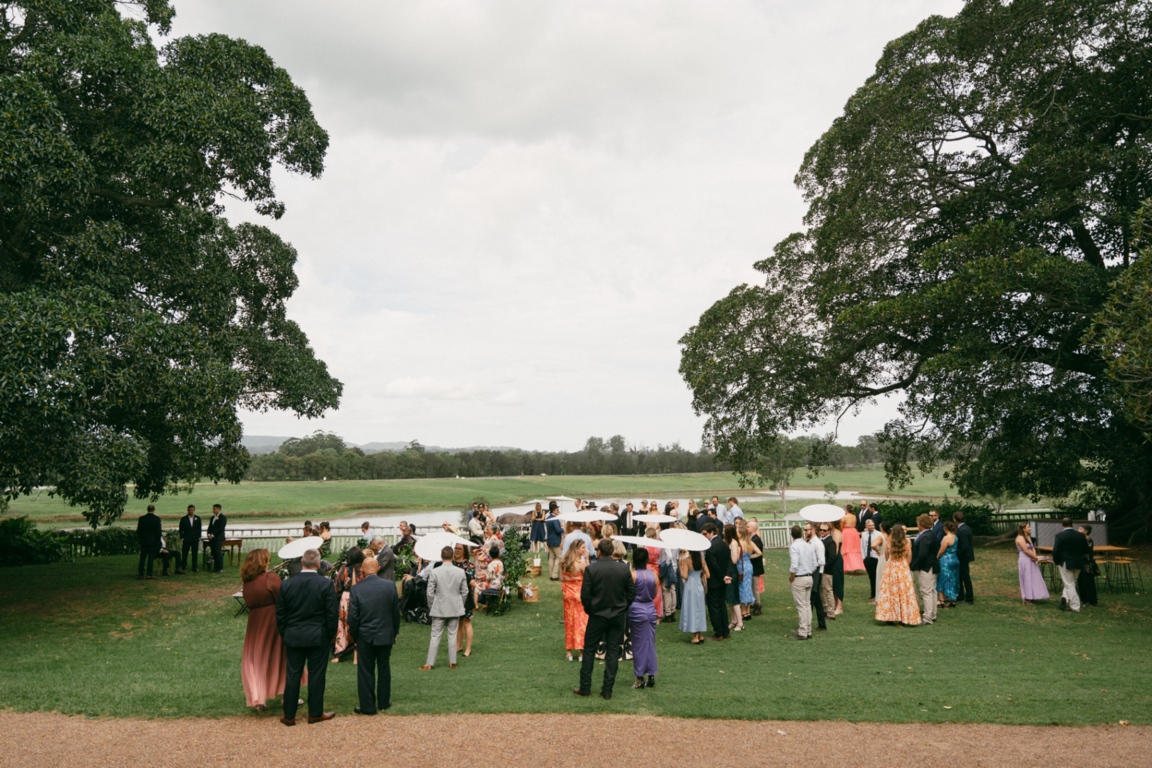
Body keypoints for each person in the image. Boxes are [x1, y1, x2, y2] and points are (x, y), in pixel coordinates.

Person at [276, 548, 339, 726]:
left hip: (295, 634)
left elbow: (281, 614)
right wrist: (330, 635)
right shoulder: (325, 584)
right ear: (318, 564)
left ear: (302, 562)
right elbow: (331, 614)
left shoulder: (287, 584)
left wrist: (285, 633)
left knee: (293, 674)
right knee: (316, 675)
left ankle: (289, 715)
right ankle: (315, 713)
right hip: (317, 635)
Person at [574, 539, 636, 701]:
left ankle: (585, 687)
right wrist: (622, 607)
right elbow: (631, 593)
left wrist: (591, 609)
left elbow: (585, 595)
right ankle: (607, 690)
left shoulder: (592, 569)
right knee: (613, 651)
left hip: (598, 615)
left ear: (599, 552)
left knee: (589, 649)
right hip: (616, 615)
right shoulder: (623, 568)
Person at [241, 549, 292, 710]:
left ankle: (259, 699)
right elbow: (282, 598)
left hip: (255, 621)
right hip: (273, 620)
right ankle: (286, 695)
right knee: (280, 655)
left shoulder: (247, 582)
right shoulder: (271, 578)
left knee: (257, 658)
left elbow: (248, 602)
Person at [348, 557, 400, 714]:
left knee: (365, 671)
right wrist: (395, 631)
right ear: (377, 568)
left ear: (362, 570)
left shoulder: (356, 589)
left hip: (365, 635)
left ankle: (368, 706)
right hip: (385, 633)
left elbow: (353, 618)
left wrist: (355, 635)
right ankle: (384, 702)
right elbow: (395, 613)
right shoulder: (390, 586)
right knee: (384, 668)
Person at [421, 546, 469, 670]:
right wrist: (460, 604)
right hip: (454, 607)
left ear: (441, 557)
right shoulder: (460, 571)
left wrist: (432, 606)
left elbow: (429, 593)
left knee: (435, 636)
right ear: (452, 556)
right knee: (452, 635)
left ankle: (429, 664)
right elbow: (465, 592)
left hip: (439, 607)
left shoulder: (435, 572)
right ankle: (452, 662)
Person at [874, 524, 921, 627]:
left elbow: (886, 557)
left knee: (890, 593)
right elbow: (909, 559)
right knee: (903, 593)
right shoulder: (907, 542)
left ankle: (889, 617)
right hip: (903, 568)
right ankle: (902, 619)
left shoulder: (889, 542)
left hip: (891, 568)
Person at [629, 547, 659, 689]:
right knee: (650, 644)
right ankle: (651, 675)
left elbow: (628, 594)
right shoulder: (654, 574)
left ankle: (639, 678)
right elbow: (654, 594)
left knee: (638, 645)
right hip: (650, 610)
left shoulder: (633, 575)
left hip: (636, 611)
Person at [332, 547, 364, 663]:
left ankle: (339, 653)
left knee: (343, 625)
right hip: (361, 597)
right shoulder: (363, 569)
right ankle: (357, 655)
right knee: (359, 624)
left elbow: (337, 586)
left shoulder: (343, 570)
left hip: (346, 598)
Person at [561, 540, 590, 662]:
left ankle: (568, 652)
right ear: (577, 549)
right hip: (579, 595)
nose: (584, 549)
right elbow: (590, 576)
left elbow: (562, 579)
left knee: (569, 622)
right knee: (581, 623)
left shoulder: (564, 562)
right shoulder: (581, 563)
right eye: (583, 547)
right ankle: (581, 652)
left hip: (567, 595)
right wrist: (587, 559)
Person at [1052, 517, 1089, 613]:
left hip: (1066, 562)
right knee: (1072, 582)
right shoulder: (1081, 536)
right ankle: (1064, 597)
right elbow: (1086, 550)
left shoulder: (1060, 535)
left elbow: (1056, 551)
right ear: (1072, 525)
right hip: (1079, 562)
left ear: (1062, 525)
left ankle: (1075, 606)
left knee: (1069, 585)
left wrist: (1057, 561)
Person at [702, 523, 731, 641]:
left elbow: (714, 565)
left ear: (711, 532)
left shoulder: (710, 546)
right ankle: (725, 630)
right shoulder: (724, 544)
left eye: (705, 534)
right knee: (722, 605)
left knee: (714, 607)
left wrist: (722, 576)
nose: (704, 536)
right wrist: (727, 575)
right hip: (723, 580)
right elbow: (729, 561)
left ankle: (718, 632)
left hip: (714, 581)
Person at [788, 525, 818, 640]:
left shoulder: (794, 547)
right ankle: (808, 630)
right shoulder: (808, 546)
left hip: (799, 577)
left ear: (791, 535)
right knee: (807, 605)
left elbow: (794, 565)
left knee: (801, 606)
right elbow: (815, 564)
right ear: (801, 533)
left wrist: (791, 577)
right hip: (809, 576)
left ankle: (803, 631)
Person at [911, 514, 939, 625]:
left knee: (926, 591)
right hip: (931, 565)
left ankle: (927, 617)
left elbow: (923, 554)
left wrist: (915, 565)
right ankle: (932, 613)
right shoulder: (930, 534)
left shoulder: (926, 536)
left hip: (927, 567)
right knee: (932, 591)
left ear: (921, 524)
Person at [678, 547, 708, 644]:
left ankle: (695, 636)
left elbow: (685, 576)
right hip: (699, 585)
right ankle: (700, 634)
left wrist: (680, 566)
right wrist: (700, 573)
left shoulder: (687, 560)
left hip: (690, 586)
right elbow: (708, 575)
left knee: (692, 609)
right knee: (699, 609)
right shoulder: (702, 560)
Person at [1015, 523, 1050, 604]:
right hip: (1025, 559)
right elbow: (1025, 550)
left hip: (1031, 558)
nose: (1030, 528)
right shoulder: (1020, 538)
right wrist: (1034, 557)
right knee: (1027, 577)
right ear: (1023, 529)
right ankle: (1026, 598)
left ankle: (1033, 595)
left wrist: (1034, 556)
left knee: (1033, 576)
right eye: (1028, 527)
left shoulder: (1027, 537)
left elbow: (1032, 547)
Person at [452, 544, 476, 657]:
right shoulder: (452, 563)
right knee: (458, 622)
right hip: (454, 596)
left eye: (459, 549)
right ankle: (458, 645)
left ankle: (468, 649)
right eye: (455, 548)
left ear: (464, 551)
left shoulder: (468, 565)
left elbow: (470, 580)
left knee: (466, 622)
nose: (456, 550)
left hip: (465, 597)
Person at [804, 522, 829, 632]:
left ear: (812, 530)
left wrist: (811, 565)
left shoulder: (818, 544)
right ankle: (822, 624)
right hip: (811, 572)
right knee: (817, 600)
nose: (805, 532)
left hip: (816, 573)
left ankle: (805, 625)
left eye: (806, 530)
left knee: (810, 600)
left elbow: (822, 561)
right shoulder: (809, 542)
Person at [735, 521, 761, 621]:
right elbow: (759, 553)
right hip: (749, 565)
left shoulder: (739, 544)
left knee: (741, 588)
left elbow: (736, 558)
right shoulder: (750, 542)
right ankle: (748, 611)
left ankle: (743, 611)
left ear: (740, 533)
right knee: (748, 588)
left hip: (741, 566)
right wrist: (749, 557)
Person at [136, 504, 163, 580]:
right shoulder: (156, 519)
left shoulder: (142, 519)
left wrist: (140, 539)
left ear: (147, 510)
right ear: (154, 510)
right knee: (150, 558)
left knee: (142, 557)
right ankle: (149, 574)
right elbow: (158, 531)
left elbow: (139, 531)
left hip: (144, 541)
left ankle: (141, 574)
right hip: (152, 541)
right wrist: (158, 540)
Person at [937, 521, 960, 608]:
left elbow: (942, 550)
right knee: (953, 579)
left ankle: (941, 600)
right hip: (955, 559)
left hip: (946, 561)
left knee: (943, 579)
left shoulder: (946, 538)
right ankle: (952, 599)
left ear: (945, 528)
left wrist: (937, 557)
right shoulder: (956, 537)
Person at [954, 511, 975, 604]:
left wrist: (955, 553)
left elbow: (964, 546)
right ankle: (961, 595)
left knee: (965, 577)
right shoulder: (964, 528)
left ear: (955, 519)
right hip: (963, 557)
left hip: (963, 557)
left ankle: (969, 598)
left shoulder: (963, 530)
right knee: (960, 576)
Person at [817, 524, 837, 620]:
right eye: (820, 530)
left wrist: (824, 567)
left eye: (824, 530)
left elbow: (832, 556)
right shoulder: (821, 540)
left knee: (828, 590)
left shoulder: (830, 542)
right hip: (821, 570)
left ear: (829, 531)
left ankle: (831, 613)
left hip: (827, 571)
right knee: (821, 590)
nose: (822, 531)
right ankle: (825, 609)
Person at [1076, 525, 1099, 607]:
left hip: (1087, 564)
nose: (1078, 530)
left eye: (1080, 529)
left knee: (1088, 582)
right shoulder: (1080, 540)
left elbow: (1086, 551)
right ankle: (1084, 599)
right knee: (1081, 582)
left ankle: (1091, 600)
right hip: (1081, 563)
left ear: (1086, 531)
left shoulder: (1088, 540)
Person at [747, 517, 766, 615]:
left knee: (755, 588)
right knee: (752, 587)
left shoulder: (756, 539)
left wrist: (749, 557)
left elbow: (759, 553)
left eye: (748, 527)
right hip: (753, 567)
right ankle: (754, 604)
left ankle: (758, 605)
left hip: (755, 568)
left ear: (753, 528)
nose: (747, 528)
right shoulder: (752, 538)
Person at [840, 505, 865, 575]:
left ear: (846, 510)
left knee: (846, 549)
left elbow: (841, 525)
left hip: (846, 532)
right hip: (854, 531)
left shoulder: (844, 517)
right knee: (855, 549)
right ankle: (855, 567)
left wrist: (841, 531)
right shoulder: (854, 516)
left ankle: (846, 568)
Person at [178, 504, 202, 573]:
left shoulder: (197, 518)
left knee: (195, 554)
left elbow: (199, 529)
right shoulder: (184, 519)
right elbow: (181, 529)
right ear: (187, 510)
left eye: (192, 510)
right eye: (189, 510)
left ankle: (195, 567)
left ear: (194, 510)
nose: (190, 511)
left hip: (195, 539)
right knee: (185, 553)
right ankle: (184, 566)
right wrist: (182, 537)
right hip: (186, 539)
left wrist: (198, 537)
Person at [861, 518, 880, 602]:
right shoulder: (864, 534)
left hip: (875, 558)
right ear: (866, 526)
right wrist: (863, 557)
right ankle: (872, 593)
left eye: (873, 525)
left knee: (876, 576)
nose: (872, 527)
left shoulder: (879, 534)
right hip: (867, 558)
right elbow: (862, 546)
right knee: (871, 576)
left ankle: (876, 594)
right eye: (870, 526)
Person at [206, 504, 227, 574]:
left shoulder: (223, 518)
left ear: (218, 509)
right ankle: (216, 567)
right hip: (212, 538)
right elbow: (210, 527)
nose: (213, 510)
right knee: (214, 553)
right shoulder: (212, 518)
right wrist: (209, 534)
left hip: (218, 538)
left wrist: (213, 535)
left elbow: (220, 528)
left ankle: (220, 568)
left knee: (218, 553)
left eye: (214, 509)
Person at [546, 502, 564, 580]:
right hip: (556, 540)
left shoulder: (548, 518)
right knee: (558, 557)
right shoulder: (555, 519)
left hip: (549, 540)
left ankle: (551, 574)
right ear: (554, 510)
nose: (558, 510)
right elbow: (557, 530)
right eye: (557, 509)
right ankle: (554, 575)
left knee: (551, 557)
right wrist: (562, 529)